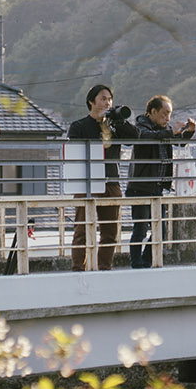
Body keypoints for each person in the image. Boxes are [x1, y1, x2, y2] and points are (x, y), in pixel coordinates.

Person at [68, 84, 139, 272]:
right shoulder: (79, 126)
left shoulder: (115, 126)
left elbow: (135, 138)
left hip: (111, 181)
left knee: (110, 231)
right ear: (91, 101)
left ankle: (104, 267)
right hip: (86, 182)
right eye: (103, 98)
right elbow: (75, 150)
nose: (107, 102)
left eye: (109, 99)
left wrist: (119, 121)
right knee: (82, 230)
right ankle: (78, 268)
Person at [126, 95, 196, 269]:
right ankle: (137, 263)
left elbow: (176, 142)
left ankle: (147, 261)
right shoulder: (141, 127)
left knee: (161, 231)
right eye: (165, 113)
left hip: (157, 186)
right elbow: (146, 137)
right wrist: (171, 132)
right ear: (153, 112)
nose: (168, 118)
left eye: (170, 114)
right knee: (140, 229)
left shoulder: (161, 130)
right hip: (140, 187)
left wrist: (189, 132)